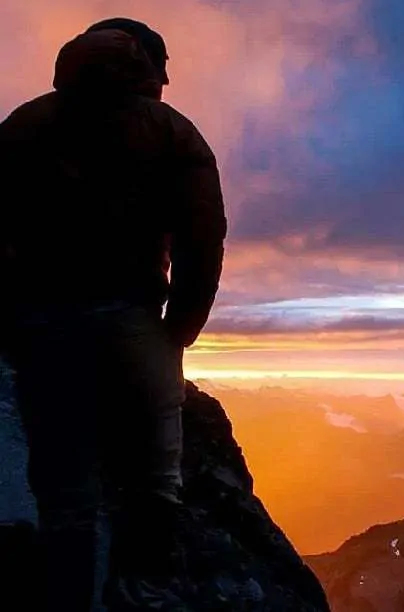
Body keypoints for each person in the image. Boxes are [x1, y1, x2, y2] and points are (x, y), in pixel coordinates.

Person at [0, 17, 227, 611]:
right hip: (133, 319)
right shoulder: (172, 132)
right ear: (149, 66)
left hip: (42, 323)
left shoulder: (24, 125)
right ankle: (144, 591)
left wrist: (12, 321)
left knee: (66, 490)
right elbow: (201, 241)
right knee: (156, 474)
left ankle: (71, 597)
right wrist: (178, 332)